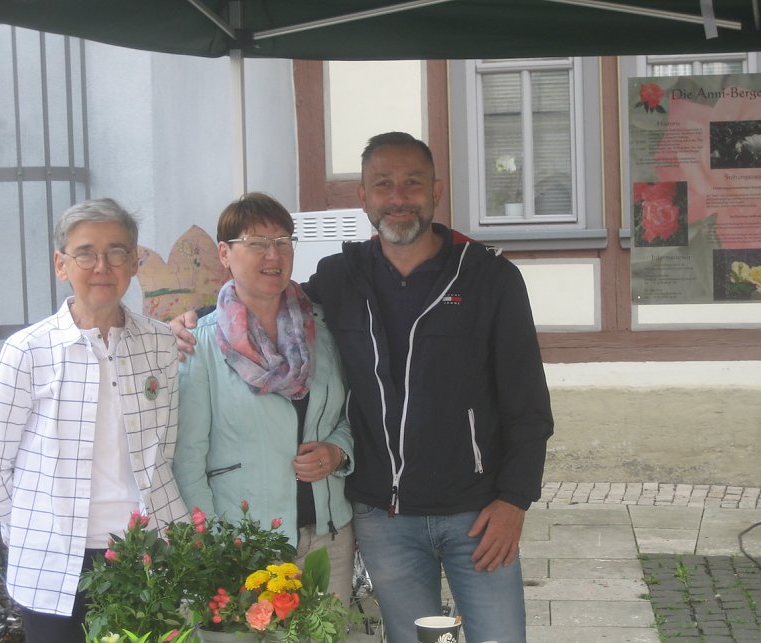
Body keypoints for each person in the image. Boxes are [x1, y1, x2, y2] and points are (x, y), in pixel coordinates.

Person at [172, 133, 554, 643]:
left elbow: (529, 406)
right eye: (383, 184)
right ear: (364, 198)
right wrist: (197, 319)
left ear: (435, 191)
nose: (398, 197)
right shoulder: (341, 276)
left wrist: (514, 502)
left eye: (412, 183)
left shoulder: (489, 278)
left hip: (477, 515)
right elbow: (268, 301)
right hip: (384, 518)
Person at [0, 198, 189, 643]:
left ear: (134, 262)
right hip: (53, 565)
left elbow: (162, 450)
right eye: (85, 252)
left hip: (145, 553)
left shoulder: (161, 344)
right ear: (61, 264)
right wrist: (29, 524)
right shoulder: (28, 351)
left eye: (117, 251)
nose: (102, 265)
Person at [172, 192, 355, 603]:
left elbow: (347, 415)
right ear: (225, 253)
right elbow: (187, 461)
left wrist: (338, 451)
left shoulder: (322, 330)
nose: (273, 254)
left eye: (283, 241)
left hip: (329, 537)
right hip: (246, 546)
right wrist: (215, 546)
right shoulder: (200, 343)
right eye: (257, 243)